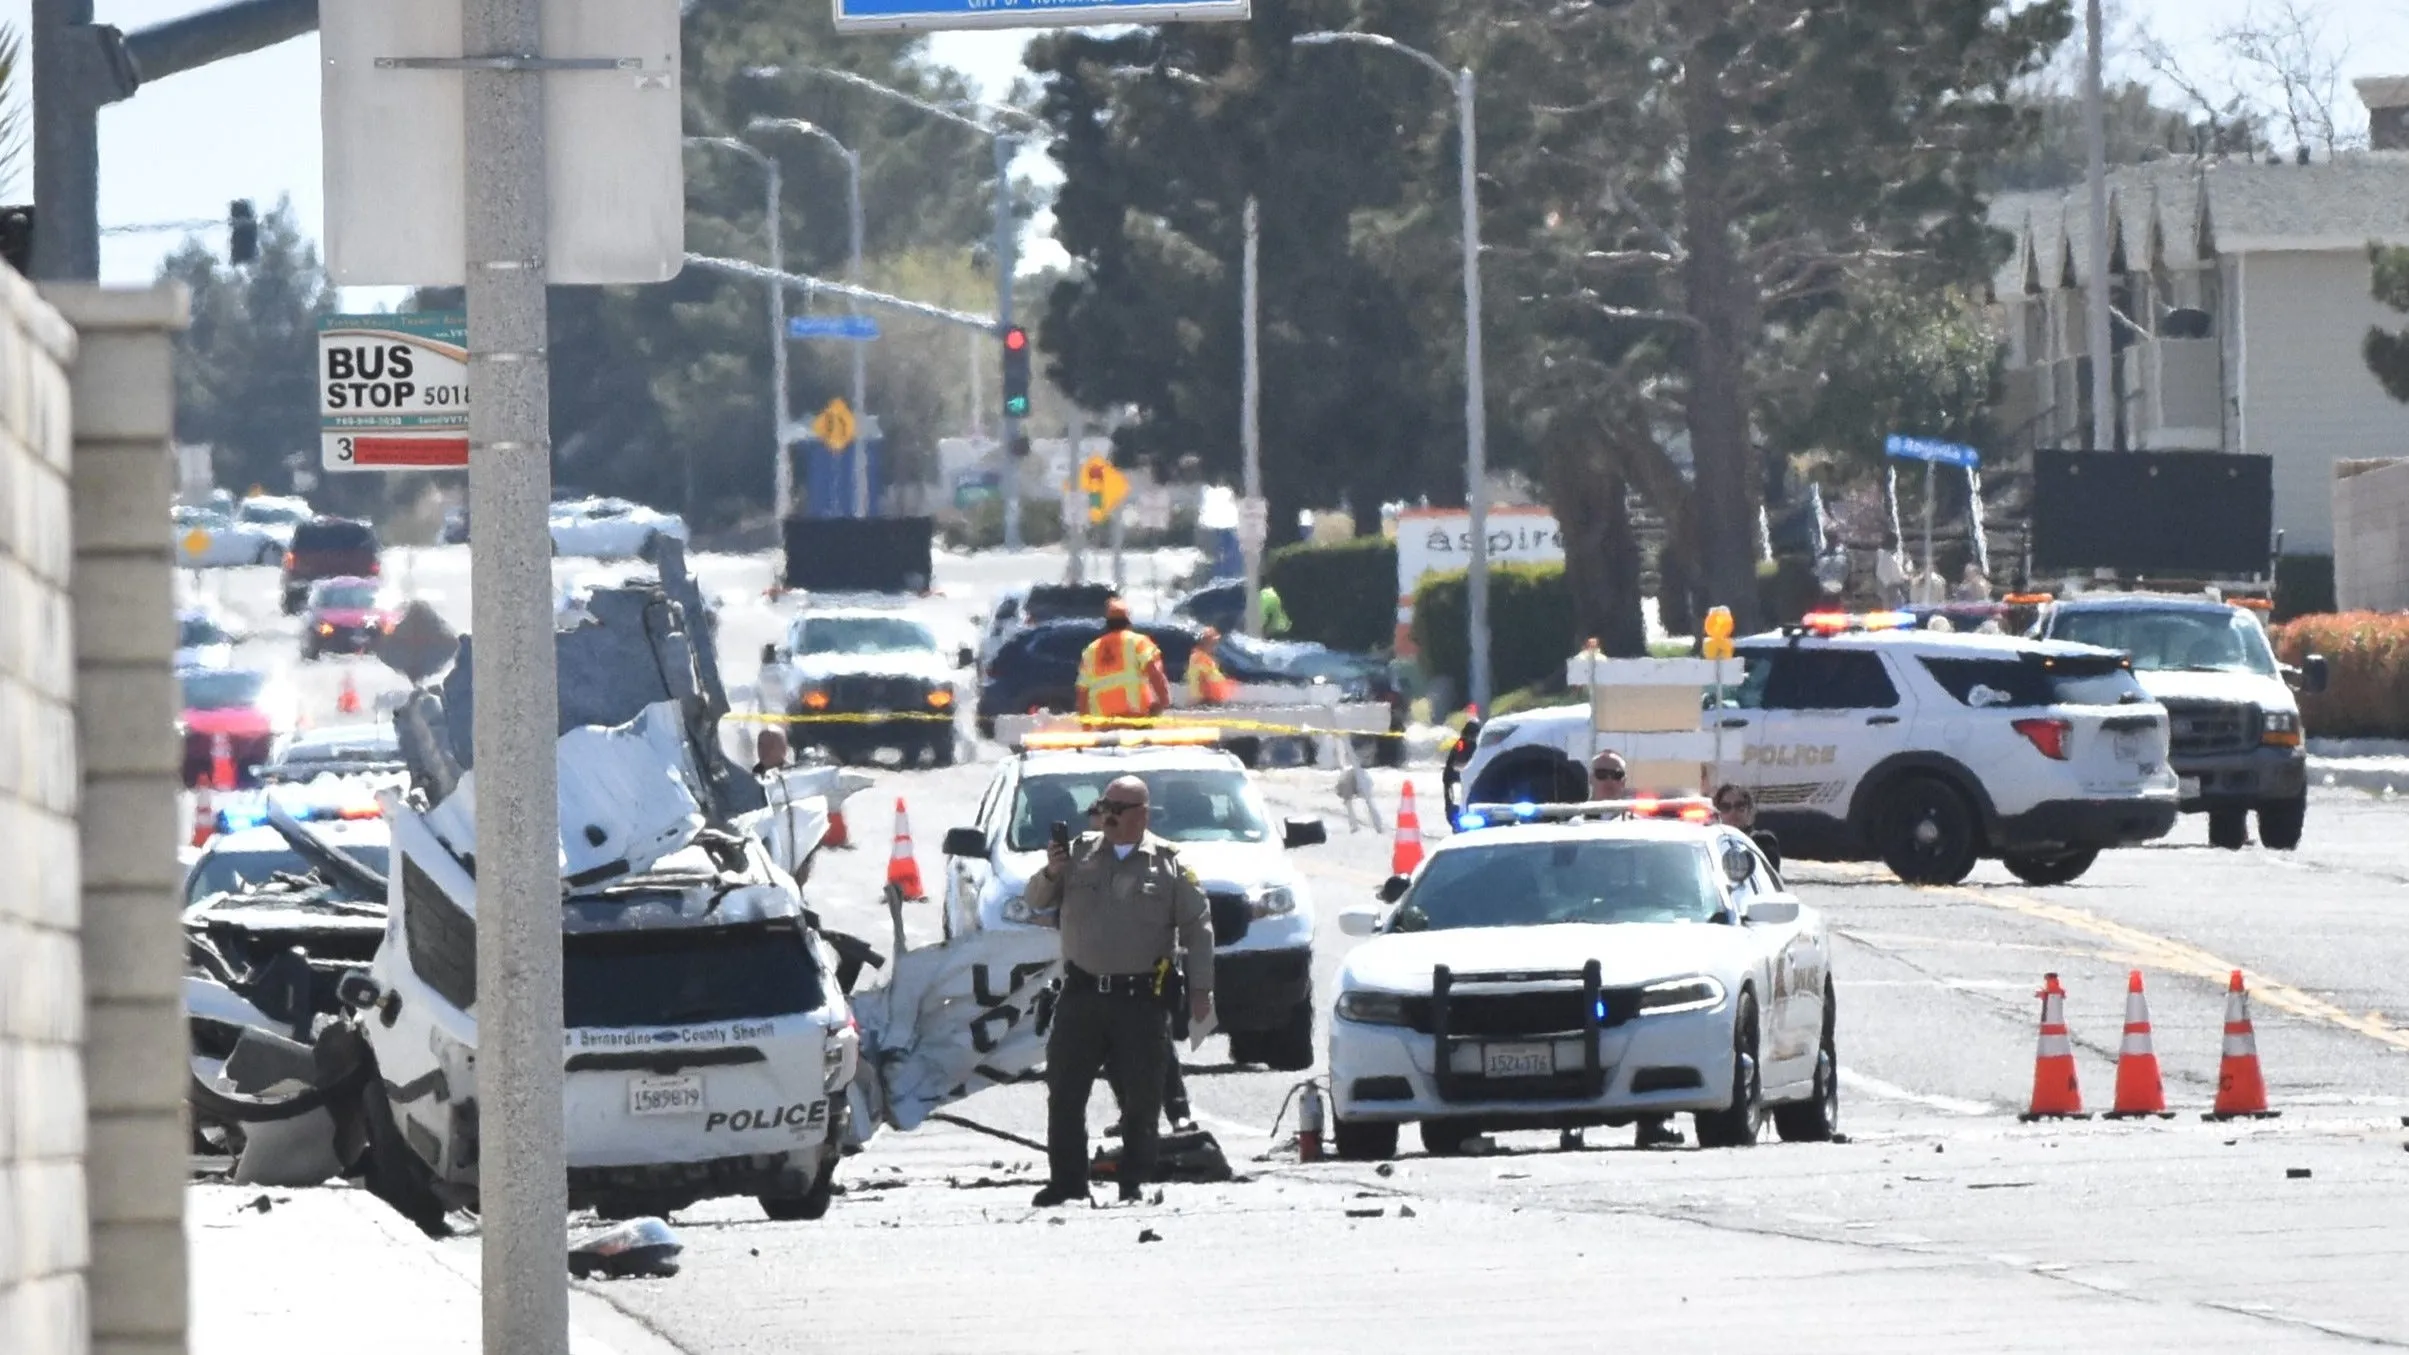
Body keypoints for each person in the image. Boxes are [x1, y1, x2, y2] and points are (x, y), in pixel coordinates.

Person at [1024, 775, 1214, 1206]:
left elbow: (1198, 930)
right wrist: (1052, 871)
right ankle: (1068, 1182)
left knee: (1141, 1097)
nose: (1107, 815)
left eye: (1118, 808)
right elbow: (1036, 898)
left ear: (1141, 815)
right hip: (1081, 995)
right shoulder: (1078, 855)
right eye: (1104, 806)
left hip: (1140, 999)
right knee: (1065, 1092)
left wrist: (1202, 989)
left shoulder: (1169, 864)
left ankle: (1134, 1179)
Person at [1075, 598, 1173, 721]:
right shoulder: (1139, 642)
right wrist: (1163, 701)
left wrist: (1086, 725)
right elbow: (1155, 672)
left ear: (1107, 623)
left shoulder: (1091, 650)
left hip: (1104, 725)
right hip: (1135, 721)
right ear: (1128, 621)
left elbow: (1082, 692)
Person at [1714, 782, 1782, 874]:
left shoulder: (1764, 841)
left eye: (1740, 806)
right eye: (1726, 807)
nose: (1733, 812)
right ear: (1718, 813)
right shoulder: (1712, 846)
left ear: (1750, 811)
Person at [1186, 627, 1237, 705]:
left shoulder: (1202, 657)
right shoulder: (1200, 658)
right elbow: (1210, 680)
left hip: (1206, 700)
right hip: (1205, 700)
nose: (1216, 644)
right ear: (1206, 642)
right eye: (1214, 642)